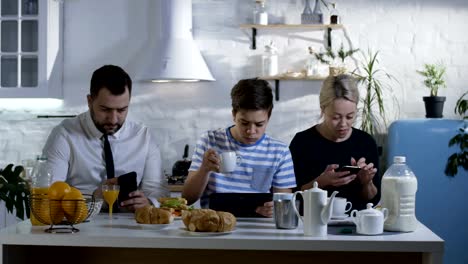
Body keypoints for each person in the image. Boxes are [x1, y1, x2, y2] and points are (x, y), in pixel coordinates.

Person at [42, 64, 169, 211]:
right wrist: (94, 198)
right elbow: (49, 194)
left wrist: (149, 202)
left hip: (131, 227)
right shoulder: (65, 135)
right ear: (90, 102)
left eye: (121, 110)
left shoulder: (143, 137)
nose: (113, 119)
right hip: (79, 225)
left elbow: (159, 193)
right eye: (105, 109)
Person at [182, 78, 296, 217]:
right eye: (244, 123)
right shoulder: (209, 141)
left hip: (260, 228)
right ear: (234, 114)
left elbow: (284, 207)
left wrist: (276, 208)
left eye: (259, 124)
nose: (251, 131)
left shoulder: (279, 152)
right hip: (214, 226)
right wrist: (204, 170)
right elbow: (187, 199)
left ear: (269, 116)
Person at [289, 74, 380, 211]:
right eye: (335, 117)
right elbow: (291, 196)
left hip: (354, 224)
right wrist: (321, 182)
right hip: (313, 222)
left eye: (350, 117)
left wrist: (366, 182)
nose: (343, 124)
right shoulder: (303, 142)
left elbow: (372, 199)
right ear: (322, 108)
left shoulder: (365, 142)